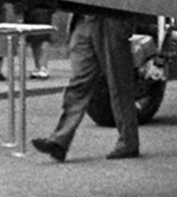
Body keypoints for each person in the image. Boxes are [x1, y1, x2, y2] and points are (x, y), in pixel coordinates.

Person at [31, 9, 139, 162]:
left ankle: (129, 141)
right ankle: (60, 141)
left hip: (110, 16)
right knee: (79, 83)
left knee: (118, 82)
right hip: (83, 16)